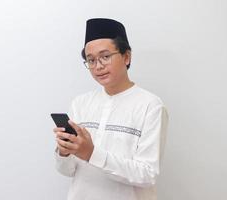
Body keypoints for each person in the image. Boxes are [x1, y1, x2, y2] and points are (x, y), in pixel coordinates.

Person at [53, 18, 169, 200]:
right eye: (91, 60)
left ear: (126, 56)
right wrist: (64, 152)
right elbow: (67, 170)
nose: (98, 66)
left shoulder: (151, 105)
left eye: (105, 56)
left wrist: (92, 153)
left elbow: (147, 174)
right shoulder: (80, 103)